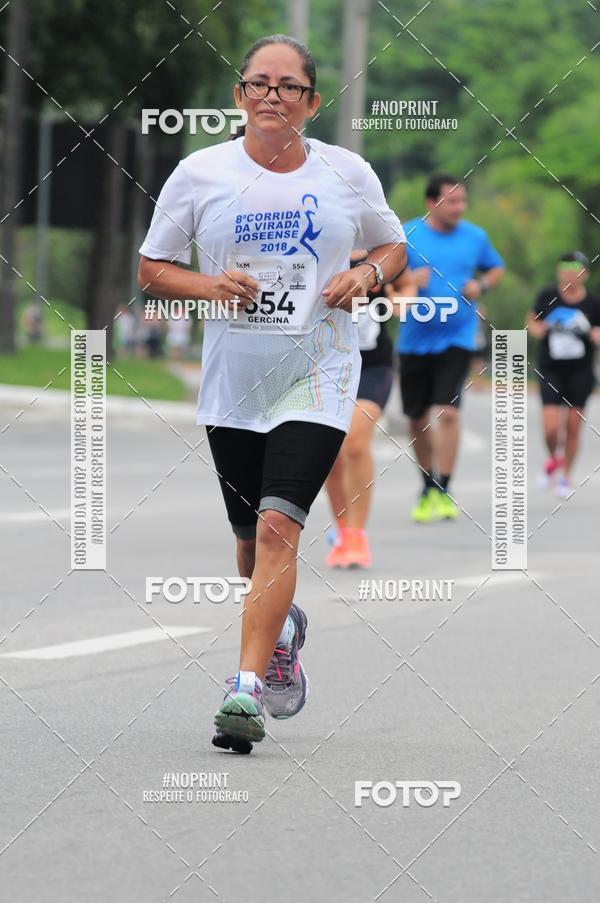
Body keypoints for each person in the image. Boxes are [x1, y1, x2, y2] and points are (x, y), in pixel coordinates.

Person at [137, 34, 406, 753]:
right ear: (239, 96)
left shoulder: (346, 172)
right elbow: (152, 267)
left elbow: (393, 246)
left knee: (279, 528)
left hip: (319, 373)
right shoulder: (200, 173)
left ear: (311, 103)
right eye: (259, 83)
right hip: (235, 383)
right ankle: (281, 629)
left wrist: (366, 275)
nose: (273, 96)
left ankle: (246, 688)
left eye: (290, 86)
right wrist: (208, 285)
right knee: (247, 542)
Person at [394, 174, 504, 522]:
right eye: (451, 201)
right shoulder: (407, 235)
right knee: (417, 418)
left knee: (448, 412)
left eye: (462, 201)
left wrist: (481, 285)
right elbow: (386, 281)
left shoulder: (475, 236)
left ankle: (444, 486)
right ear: (431, 203)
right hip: (414, 340)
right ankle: (428, 484)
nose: (459, 207)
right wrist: (409, 282)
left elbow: (496, 268)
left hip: (458, 337)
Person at [325, 250, 395, 568]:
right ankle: (343, 529)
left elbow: (406, 286)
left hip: (372, 367)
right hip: (329, 365)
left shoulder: (381, 248)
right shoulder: (323, 246)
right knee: (329, 452)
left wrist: (399, 301)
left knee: (354, 442)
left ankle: (356, 535)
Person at [527, 251, 600, 497]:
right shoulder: (547, 296)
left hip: (581, 371)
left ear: (585, 274)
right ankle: (555, 459)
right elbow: (532, 321)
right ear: (559, 271)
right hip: (551, 369)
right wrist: (540, 329)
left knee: (573, 425)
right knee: (550, 428)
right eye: (565, 267)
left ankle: (565, 476)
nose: (570, 273)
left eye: (576, 268)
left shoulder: (593, 303)